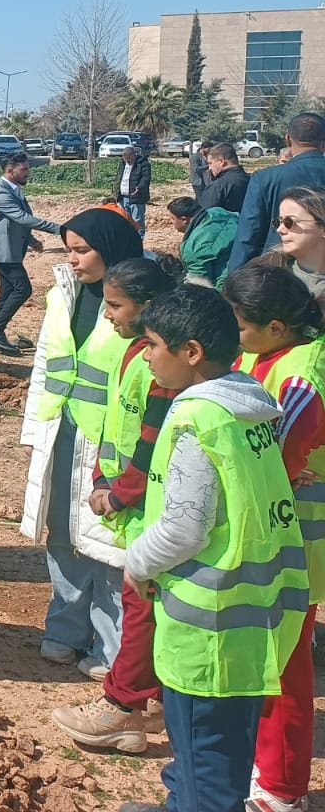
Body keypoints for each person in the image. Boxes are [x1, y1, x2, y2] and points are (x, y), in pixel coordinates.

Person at [114, 286, 308, 812]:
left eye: (153, 345)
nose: (145, 355)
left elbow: (184, 528)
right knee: (217, 750)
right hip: (255, 619)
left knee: (207, 766)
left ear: (192, 352)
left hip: (210, 630)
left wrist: (137, 562)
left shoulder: (196, 418)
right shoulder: (248, 405)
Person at [50, 257, 177, 755]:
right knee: (141, 601)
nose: (106, 315)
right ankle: (150, 698)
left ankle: (124, 705)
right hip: (129, 503)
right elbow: (116, 429)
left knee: (141, 605)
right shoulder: (133, 354)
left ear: (147, 307)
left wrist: (121, 491)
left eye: (115, 305)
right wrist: (104, 477)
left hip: (150, 507)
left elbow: (150, 442)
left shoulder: (161, 369)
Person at [20, 209, 144, 680]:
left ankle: (109, 644)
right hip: (62, 430)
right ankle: (64, 630)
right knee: (62, 531)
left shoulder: (140, 305)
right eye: (67, 249)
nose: (71, 260)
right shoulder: (62, 295)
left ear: (109, 249)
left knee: (109, 542)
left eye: (81, 250)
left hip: (110, 441)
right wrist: (34, 431)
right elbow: (44, 365)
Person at [225, 265, 325, 812]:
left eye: (237, 325)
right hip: (269, 530)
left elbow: (275, 459)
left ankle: (283, 790)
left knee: (284, 663)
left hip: (296, 538)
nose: (229, 335)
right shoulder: (266, 356)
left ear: (278, 326)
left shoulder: (301, 377)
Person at [0, 153, 62, 355]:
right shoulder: (1, 192)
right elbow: (22, 218)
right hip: (3, 250)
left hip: (10, 249)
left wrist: (31, 241)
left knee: (8, 291)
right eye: (24, 169)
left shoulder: (13, 189)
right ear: (10, 171)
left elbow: (17, 222)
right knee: (22, 289)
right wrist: (59, 229)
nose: (28, 173)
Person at [229, 112, 325, 270]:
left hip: (279, 273)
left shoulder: (265, 178)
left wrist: (234, 279)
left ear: (288, 139)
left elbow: (249, 234)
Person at [258, 185, 325, 314]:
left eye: (290, 222)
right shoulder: (263, 275)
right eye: (279, 222)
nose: (280, 230)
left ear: (322, 228)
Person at [166, 195, 235, 289]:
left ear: (184, 220)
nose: (171, 222)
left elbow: (200, 286)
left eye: (172, 219)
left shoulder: (194, 249)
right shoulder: (218, 212)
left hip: (228, 286)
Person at [195, 142, 248, 215]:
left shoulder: (218, 186)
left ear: (221, 162)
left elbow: (204, 218)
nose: (209, 168)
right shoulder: (253, 181)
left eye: (210, 163)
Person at [115, 145, 151, 237]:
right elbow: (119, 178)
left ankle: (138, 245)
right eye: (125, 158)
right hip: (123, 197)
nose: (127, 160)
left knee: (137, 222)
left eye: (129, 158)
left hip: (136, 198)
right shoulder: (123, 164)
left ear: (134, 155)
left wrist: (139, 187)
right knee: (125, 222)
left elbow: (145, 178)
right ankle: (128, 245)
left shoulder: (142, 164)